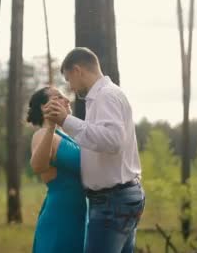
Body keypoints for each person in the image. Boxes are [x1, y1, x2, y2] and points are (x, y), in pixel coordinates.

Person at [44, 47, 145, 253]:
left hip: (112, 203)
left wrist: (66, 120)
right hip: (121, 198)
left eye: (68, 79)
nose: (70, 87)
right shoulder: (103, 96)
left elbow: (112, 140)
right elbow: (98, 140)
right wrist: (66, 123)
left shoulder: (105, 96)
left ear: (77, 70)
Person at [27, 86, 87, 253]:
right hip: (62, 218)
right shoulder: (42, 135)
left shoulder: (70, 137)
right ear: (43, 107)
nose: (67, 100)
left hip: (81, 216)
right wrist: (51, 126)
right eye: (58, 97)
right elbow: (37, 166)